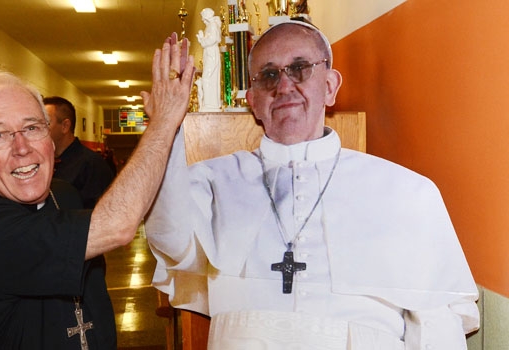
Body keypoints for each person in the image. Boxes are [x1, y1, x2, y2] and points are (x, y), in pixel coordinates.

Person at [145, 19, 479, 349]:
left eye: (300, 68)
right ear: (253, 101)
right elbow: (171, 242)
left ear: (331, 87)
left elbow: (438, 323)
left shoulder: (407, 192)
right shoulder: (212, 180)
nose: (284, 86)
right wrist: (167, 128)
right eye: (269, 75)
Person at [0, 32, 194, 350]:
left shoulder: (64, 193)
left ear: (50, 139)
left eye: (32, 128)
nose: (21, 148)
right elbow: (116, 225)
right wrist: (163, 121)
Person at [44, 96, 115, 208]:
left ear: (65, 126)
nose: (38, 129)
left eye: (45, 123)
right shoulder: (44, 162)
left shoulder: (92, 166)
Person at [196, 7, 222, 112]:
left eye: (203, 17)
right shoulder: (210, 26)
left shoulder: (212, 25)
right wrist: (201, 39)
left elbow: (214, 39)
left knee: (208, 77)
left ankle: (210, 104)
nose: (202, 20)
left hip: (211, 53)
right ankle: (210, 103)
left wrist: (202, 40)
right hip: (209, 53)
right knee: (209, 77)